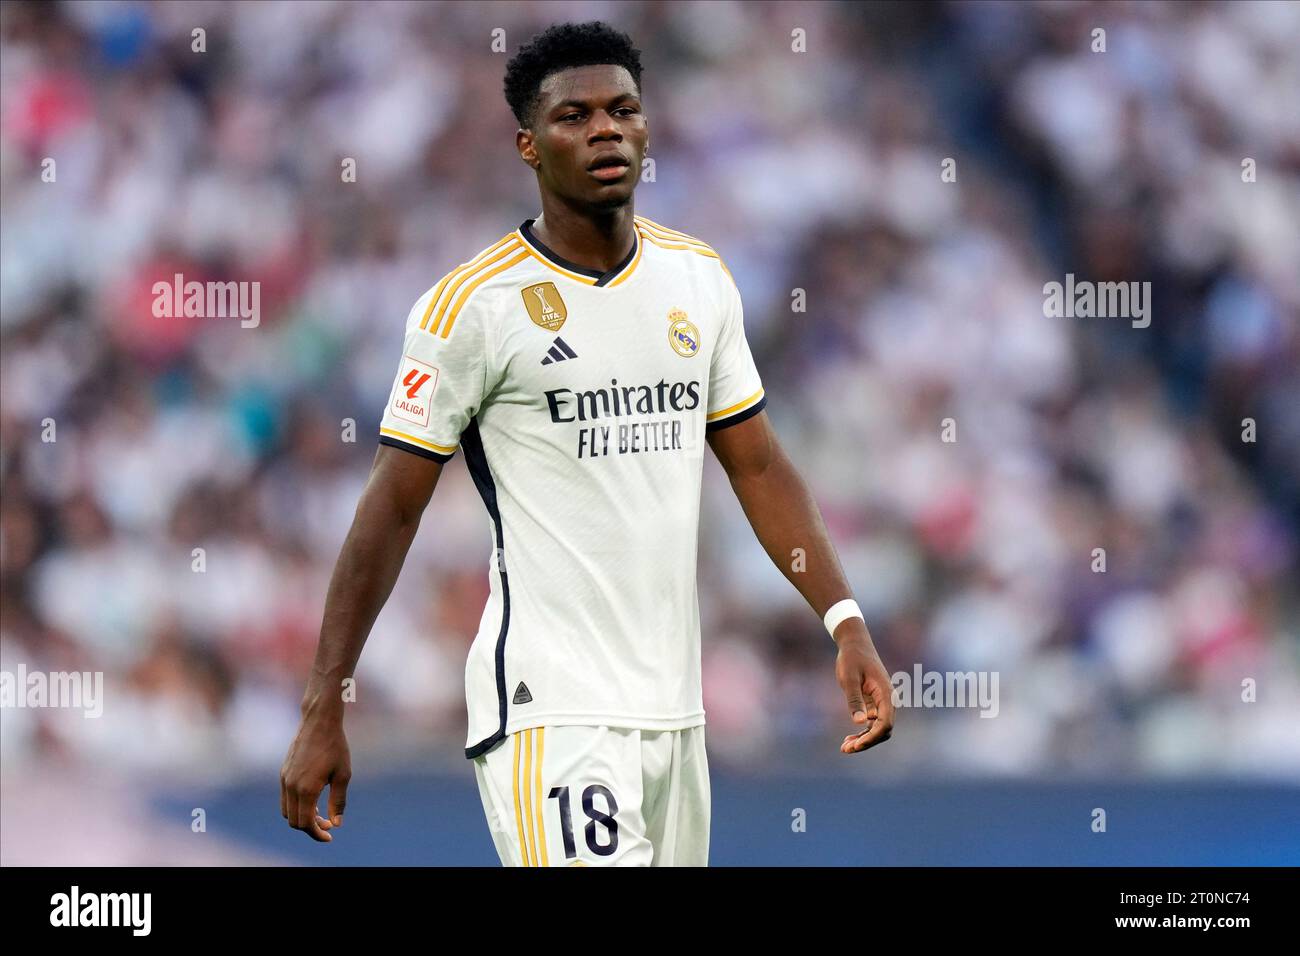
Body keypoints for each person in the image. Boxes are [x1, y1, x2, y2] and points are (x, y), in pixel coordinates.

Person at [280, 20, 894, 866]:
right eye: (575, 117)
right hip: (549, 708)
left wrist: (844, 618)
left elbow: (757, 464)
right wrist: (324, 703)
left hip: (675, 714)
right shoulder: (473, 307)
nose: (605, 129)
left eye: (624, 109)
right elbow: (388, 512)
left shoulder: (697, 279)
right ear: (528, 147)